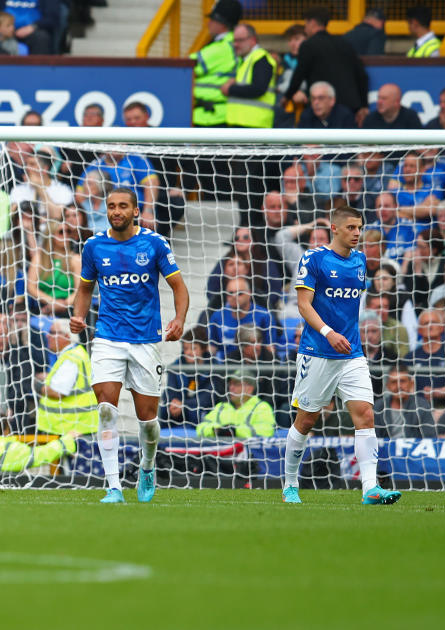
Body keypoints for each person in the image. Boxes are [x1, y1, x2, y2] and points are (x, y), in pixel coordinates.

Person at [70, 188, 189, 503]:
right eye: (111, 206)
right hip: (107, 337)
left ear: (136, 211)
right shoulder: (94, 246)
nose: (116, 211)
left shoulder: (153, 244)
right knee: (106, 408)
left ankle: (147, 468)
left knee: (147, 419)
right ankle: (113, 486)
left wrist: (179, 319)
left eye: (123, 206)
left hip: (145, 341)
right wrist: (78, 316)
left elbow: (179, 286)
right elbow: (84, 288)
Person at [284, 205, 401, 505]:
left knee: (365, 415)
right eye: (351, 228)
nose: (357, 233)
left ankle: (370, 488)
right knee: (306, 420)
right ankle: (289, 484)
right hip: (318, 351)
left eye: (360, 228)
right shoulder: (314, 259)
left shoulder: (361, 261)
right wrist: (328, 333)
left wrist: (344, 336)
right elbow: (304, 305)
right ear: (334, 228)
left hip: (352, 354)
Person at [283, 7, 368, 124]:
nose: (306, 28)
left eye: (306, 24)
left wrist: (287, 96)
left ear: (312, 23)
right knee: (346, 142)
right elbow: (361, 75)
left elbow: (299, 74)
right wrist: (363, 105)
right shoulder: (344, 43)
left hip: (324, 108)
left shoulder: (308, 45)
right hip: (349, 105)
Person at [189, 0, 239, 128]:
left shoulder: (221, 48)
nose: (208, 23)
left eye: (212, 19)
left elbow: (184, 67)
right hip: (220, 115)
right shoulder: (233, 43)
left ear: (222, 24)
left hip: (209, 117)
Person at [222, 23, 276, 129]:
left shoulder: (260, 58)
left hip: (254, 127)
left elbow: (258, 88)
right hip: (245, 126)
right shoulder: (247, 59)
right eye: (234, 40)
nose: (235, 44)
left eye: (240, 40)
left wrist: (230, 89)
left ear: (253, 40)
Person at [196, 370, 276, 438]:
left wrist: (234, 431)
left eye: (236, 384)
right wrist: (215, 430)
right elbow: (200, 428)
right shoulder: (221, 406)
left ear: (250, 388)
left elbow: (266, 432)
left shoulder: (262, 407)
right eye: (230, 384)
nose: (231, 388)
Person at [374, 365, 436, 439]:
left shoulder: (421, 405)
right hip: (386, 450)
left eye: (402, 381)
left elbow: (430, 438)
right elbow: (374, 438)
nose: (398, 386)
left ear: (411, 384)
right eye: (394, 382)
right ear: (388, 386)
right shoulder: (379, 406)